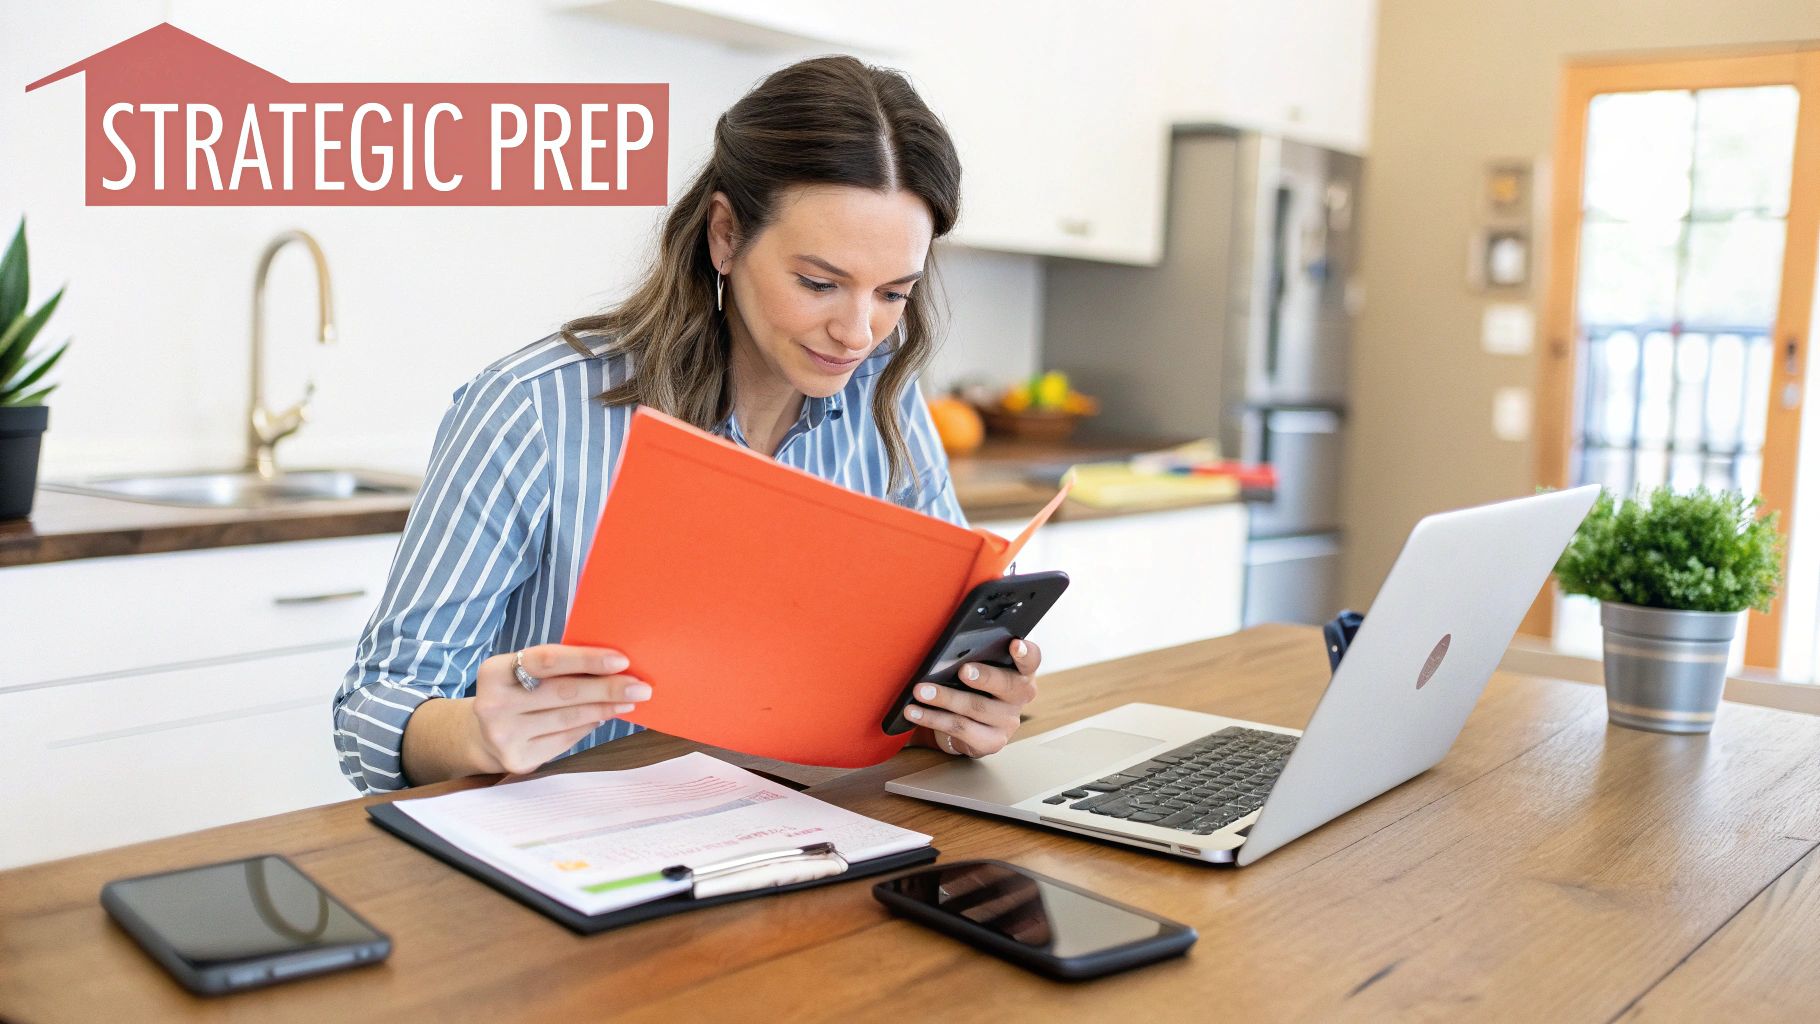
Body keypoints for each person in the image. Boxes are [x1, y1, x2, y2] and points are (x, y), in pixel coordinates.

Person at [332, 56, 1044, 794]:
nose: (858, 332)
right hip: (568, 853)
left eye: (894, 292)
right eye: (819, 283)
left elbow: (934, 667)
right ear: (726, 235)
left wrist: (967, 709)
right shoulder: (533, 409)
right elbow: (370, 713)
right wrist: (479, 730)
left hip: (799, 836)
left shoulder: (885, 401)